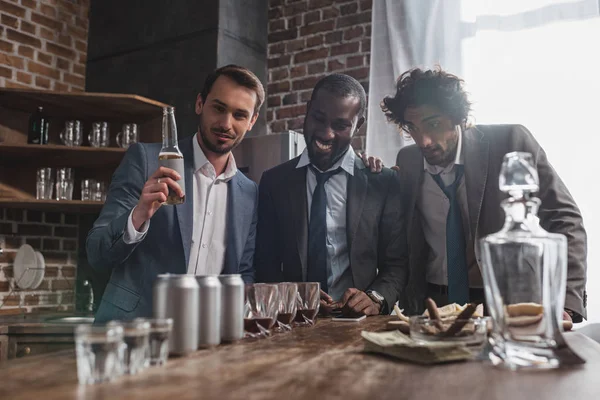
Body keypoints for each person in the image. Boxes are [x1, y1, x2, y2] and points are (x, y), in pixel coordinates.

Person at [380, 67, 587, 321]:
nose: (423, 141)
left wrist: (564, 301)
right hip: (431, 305)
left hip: (505, 303)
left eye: (433, 124)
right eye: (412, 128)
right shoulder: (408, 160)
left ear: (458, 118)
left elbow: (565, 219)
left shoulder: (510, 142)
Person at [87, 65, 264, 322]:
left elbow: (244, 273)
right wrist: (137, 216)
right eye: (218, 108)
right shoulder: (147, 160)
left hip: (207, 339)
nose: (226, 123)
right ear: (200, 104)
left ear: (252, 122)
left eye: (239, 115)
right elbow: (96, 252)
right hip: (134, 333)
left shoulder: (249, 192)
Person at [255, 74, 408, 316]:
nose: (326, 134)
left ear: (358, 125)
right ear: (307, 111)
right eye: (318, 118)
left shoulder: (383, 182)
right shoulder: (274, 182)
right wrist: (291, 297)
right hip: (293, 321)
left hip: (360, 324)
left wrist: (376, 298)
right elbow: (264, 263)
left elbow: (396, 265)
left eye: (340, 125)